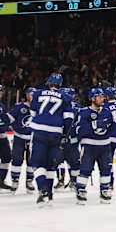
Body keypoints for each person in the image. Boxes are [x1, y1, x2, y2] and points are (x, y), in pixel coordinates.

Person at [29, 73, 74, 206]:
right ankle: (48, 193)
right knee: (50, 165)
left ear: (48, 82)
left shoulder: (37, 93)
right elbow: (68, 119)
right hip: (55, 132)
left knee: (37, 163)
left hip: (39, 130)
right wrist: (65, 134)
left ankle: (42, 189)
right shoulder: (65, 97)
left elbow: (33, 113)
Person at [75, 88, 113, 204]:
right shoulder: (84, 112)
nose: (103, 99)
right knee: (85, 169)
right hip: (89, 147)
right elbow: (79, 130)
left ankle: (104, 190)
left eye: (103, 96)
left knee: (106, 170)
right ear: (92, 99)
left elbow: (111, 128)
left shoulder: (107, 111)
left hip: (105, 146)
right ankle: (81, 189)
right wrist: (94, 125)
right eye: (99, 97)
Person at [9, 87, 36, 193]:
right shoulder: (19, 107)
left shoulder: (38, 108)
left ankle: (29, 180)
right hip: (19, 138)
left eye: (34, 95)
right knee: (17, 159)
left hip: (32, 138)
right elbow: (10, 119)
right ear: (27, 95)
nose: (32, 97)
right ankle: (14, 180)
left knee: (31, 160)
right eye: (30, 94)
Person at [55, 87, 82, 191]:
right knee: (73, 161)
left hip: (61, 137)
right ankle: (74, 181)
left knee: (60, 160)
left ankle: (61, 181)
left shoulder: (59, 106)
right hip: (74, 139)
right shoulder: (78, 107)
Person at [0, 84, 13, 191]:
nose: (1, 93)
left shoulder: (1, 105)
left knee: (7, 158)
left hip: (3, 136)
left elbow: (5, 119)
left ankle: (1, 180)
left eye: (1, 91)